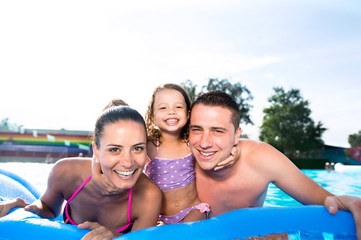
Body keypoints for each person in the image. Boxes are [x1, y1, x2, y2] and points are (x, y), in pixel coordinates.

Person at [188, 90, 361, 239]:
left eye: (217, 131)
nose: (204, 143)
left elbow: (321, 197)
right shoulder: (179, 160)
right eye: (197, 129)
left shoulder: (261, 158)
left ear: (236, 134)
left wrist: (349, 201)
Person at [0, 106, 162, 240]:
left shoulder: (148, 196)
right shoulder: (66, 172)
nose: (128, 162)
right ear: (96, 151)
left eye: (137, 148)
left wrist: (118, 236)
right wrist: (27, 207)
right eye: (114, 149)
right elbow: (48, 208)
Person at [143, 83, 210, 224]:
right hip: (160, 217)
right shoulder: (150, 145)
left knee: (192, 229)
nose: (171, 111)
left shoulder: (191, 142)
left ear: (188, 113)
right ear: (153, 117)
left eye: (178, 107)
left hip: (192, 210)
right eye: (163, 107)